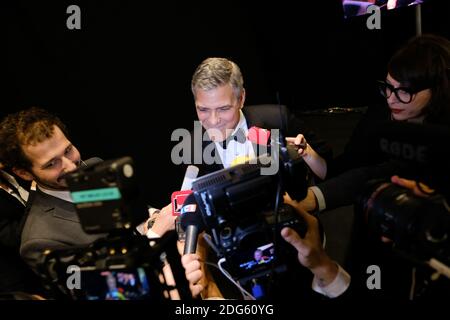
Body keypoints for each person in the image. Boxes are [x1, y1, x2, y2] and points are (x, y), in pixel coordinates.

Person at [288, 34, 450, 213]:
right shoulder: (379, 115)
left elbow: (384, 173)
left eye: (404, 91)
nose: (391, 99)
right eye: (388, 86)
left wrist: (314, 198)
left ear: (438, 90)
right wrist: (308, 153)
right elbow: (344, 168)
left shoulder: (441, 134)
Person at [0, 107, 175, 272]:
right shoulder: (39, 241)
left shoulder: (96, 168)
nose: (70, 167)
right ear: (24, 173)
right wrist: (155, 234)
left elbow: (137, 214)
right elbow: (109, 287)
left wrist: (153, 217)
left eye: (68, 151)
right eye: (52, 163)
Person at [186, 57, 331, 179]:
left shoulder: (278, 119)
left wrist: (307, 154)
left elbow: (328, 173)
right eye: (203, 109)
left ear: (241, 98)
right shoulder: (192, 146)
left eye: (223, 109)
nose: (213, 121)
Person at [0, 164, 43, 293]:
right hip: (23, 280)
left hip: (44, 262)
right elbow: (12, 237)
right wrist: (35, 194)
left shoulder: (11, 173)